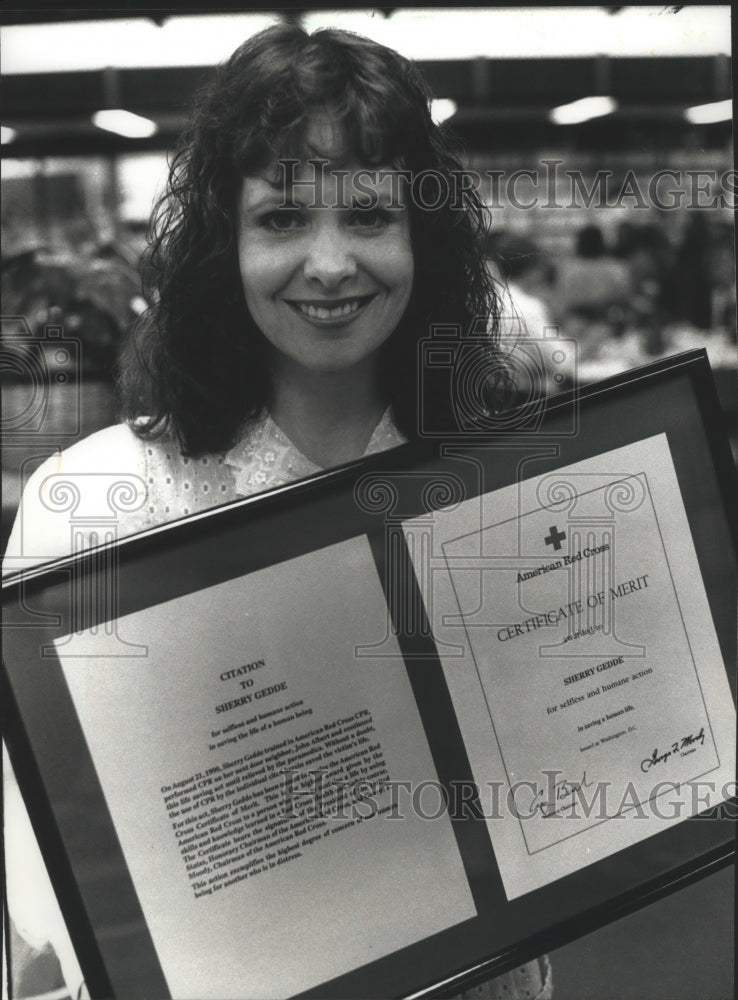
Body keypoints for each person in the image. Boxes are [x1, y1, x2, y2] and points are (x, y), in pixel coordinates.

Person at [4, 24, 551, 1000]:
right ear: (226, 240)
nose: (333, 262)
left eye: (372, 215)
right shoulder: (93, 505)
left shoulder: (502, 479)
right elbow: (46, 863)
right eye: (284, 217)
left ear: (422, 236)